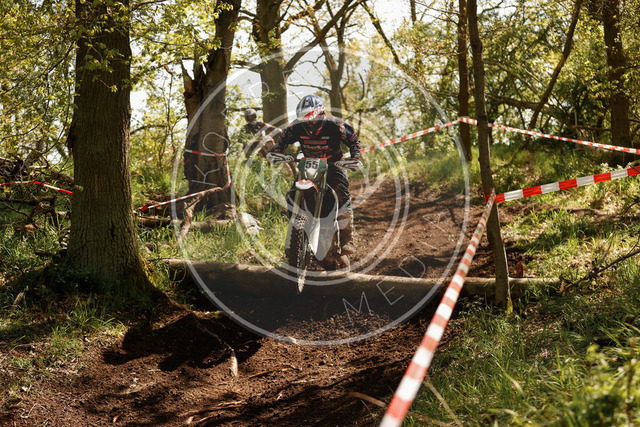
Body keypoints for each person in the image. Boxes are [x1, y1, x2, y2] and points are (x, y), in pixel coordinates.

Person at [269, 94, 362, 256]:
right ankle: (296, 232)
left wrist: (354, 158)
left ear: (320, 113)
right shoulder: (296, 126)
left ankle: (347, 238)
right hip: (309, 164)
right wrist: (277, 152)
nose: (307, 122)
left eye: (310, 117)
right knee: (292, 193)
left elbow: (353, 140)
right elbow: (283, 138)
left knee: (342, 195)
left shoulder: (335, 124)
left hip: (333, 164)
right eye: (304, 118)